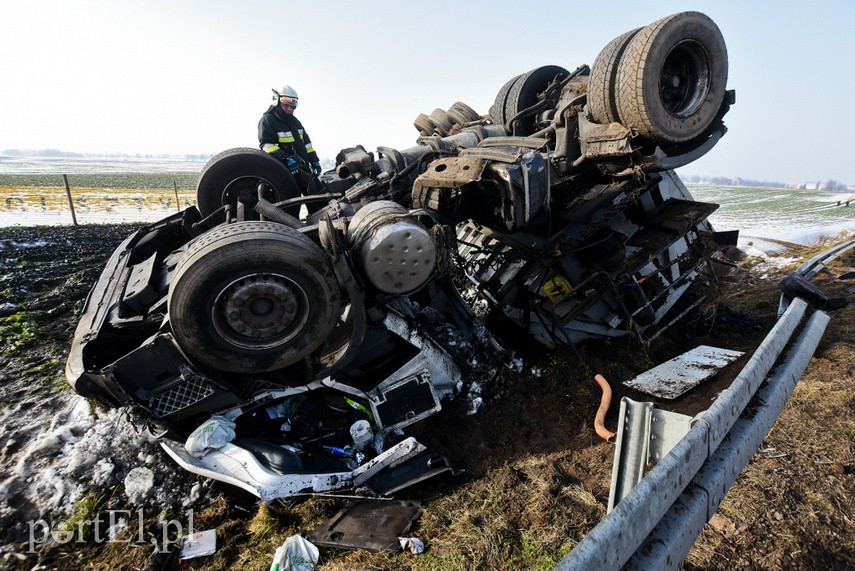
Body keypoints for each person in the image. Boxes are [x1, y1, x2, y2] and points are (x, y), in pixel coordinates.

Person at [258, 85, 322, 180]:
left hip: (303, 169)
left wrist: (314, 161)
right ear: (277, 102)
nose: (289, 109)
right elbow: (267, 145)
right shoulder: (268, 120)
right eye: (286, 105)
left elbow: (307, 145)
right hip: (283, 172)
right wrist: (286, 159)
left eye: (292, 106)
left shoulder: (295, 122)